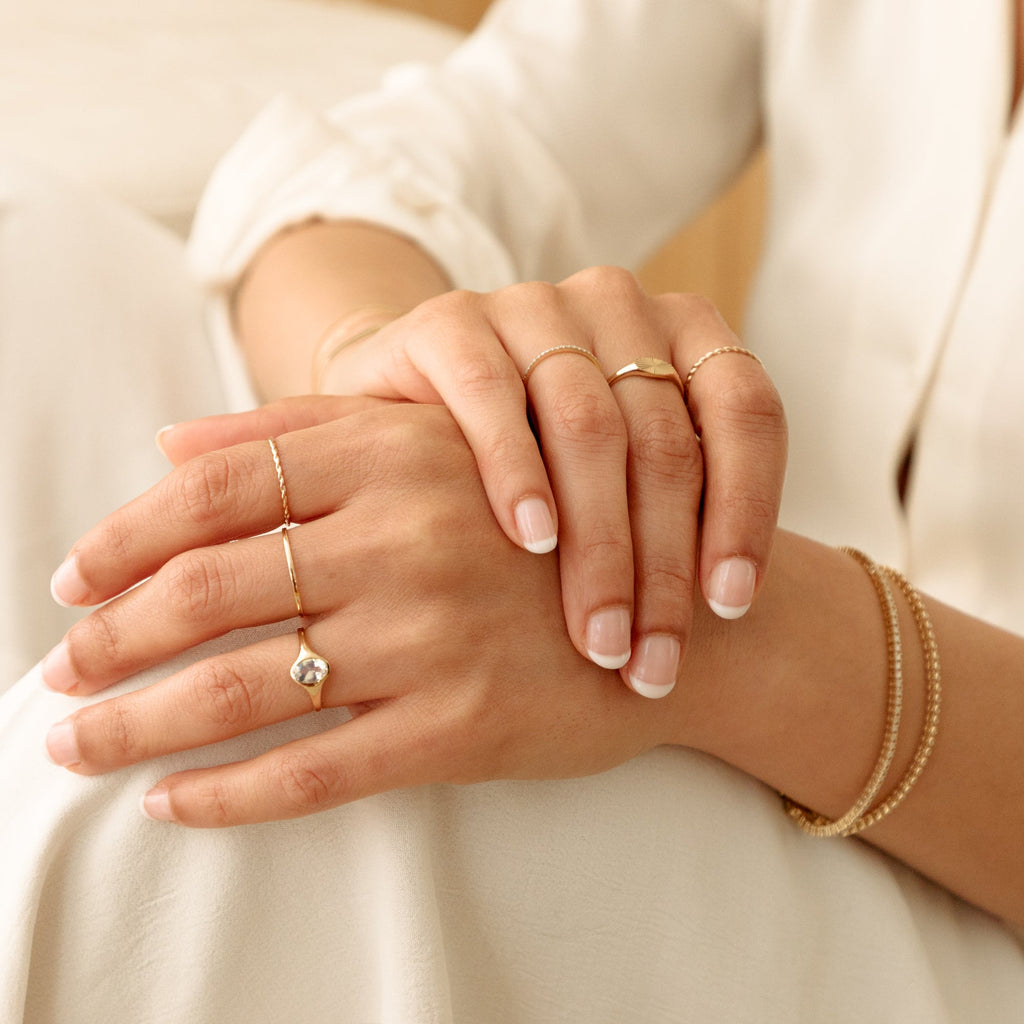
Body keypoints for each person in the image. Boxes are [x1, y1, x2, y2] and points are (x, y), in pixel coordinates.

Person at [3, 1, 1024, 1021]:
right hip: (716, 618)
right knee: (29, 269)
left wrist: (717, 629)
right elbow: (407, 161)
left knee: (185, 790)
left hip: (969, 850)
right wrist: (415, 364)